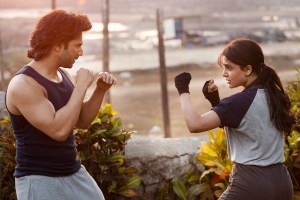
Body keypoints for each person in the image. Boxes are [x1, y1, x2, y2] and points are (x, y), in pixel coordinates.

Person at [5, 9, 116, 200]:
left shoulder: (62, 74)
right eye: (77, 45)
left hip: (72, 171)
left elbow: (80, 121)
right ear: (58, 45)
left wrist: (99, 90)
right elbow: (58, 130)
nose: (81, 52)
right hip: (39, 179)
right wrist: (81, 86)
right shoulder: (24, 84)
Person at [174, 38, 295, 200]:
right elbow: (246, 129)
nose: (224, 74)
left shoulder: (239, 102)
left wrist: (182, 90)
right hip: (282, 182)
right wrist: (215, 102)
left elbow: (194, 125)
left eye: (229, 68)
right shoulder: (275, 95)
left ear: (247, 69)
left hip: (251, 184)